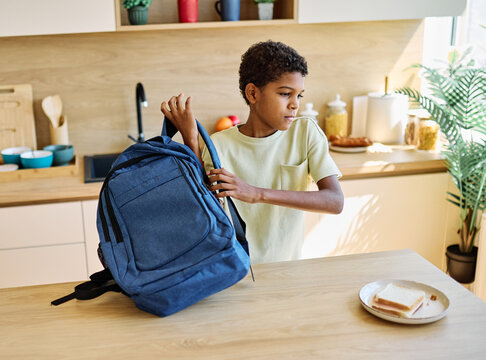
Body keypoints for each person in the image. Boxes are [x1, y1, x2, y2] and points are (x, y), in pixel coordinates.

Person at [161, 40, 344, 264]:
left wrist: (256, 193)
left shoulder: (305, 132)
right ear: (253, 94)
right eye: (286, 94)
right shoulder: (217, 146)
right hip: (233, 274)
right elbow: (202, 212)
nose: (295, 104)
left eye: (299, 95)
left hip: (288, 270)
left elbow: (335, 201)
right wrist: (191, 138)